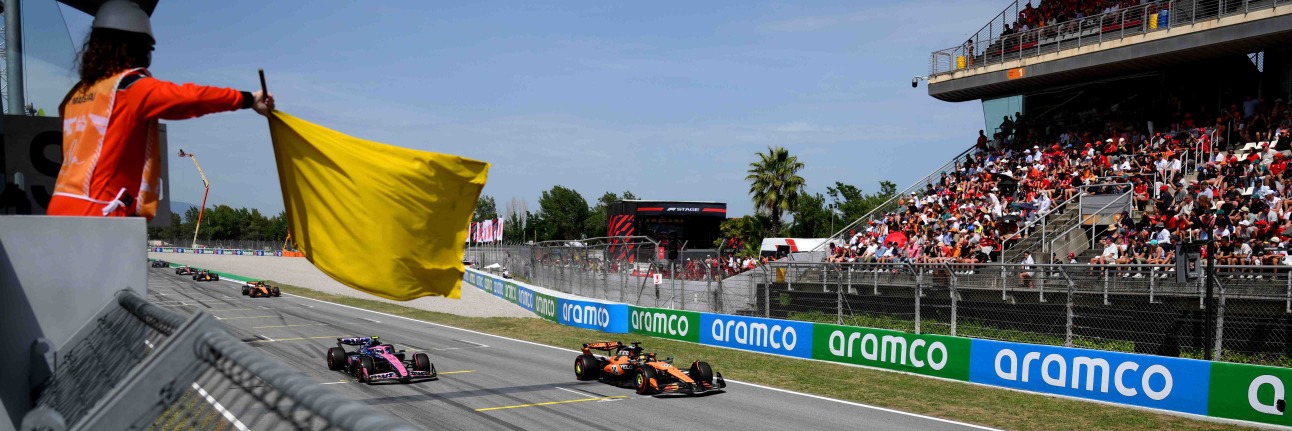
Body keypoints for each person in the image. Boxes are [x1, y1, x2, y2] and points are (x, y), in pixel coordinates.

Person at [49, 0, 274, 219]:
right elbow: (191, 98)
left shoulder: (75, 96)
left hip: (59, 207)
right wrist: (248, 99)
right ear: (135, 47)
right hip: (101, 212)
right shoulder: (129, 88)